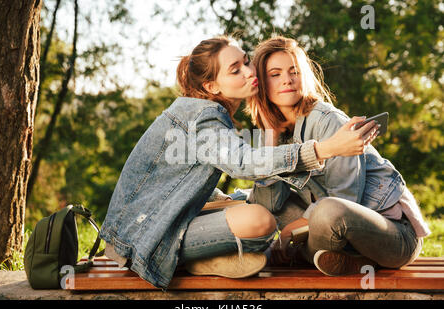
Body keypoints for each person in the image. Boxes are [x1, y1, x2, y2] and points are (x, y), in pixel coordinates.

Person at [99, 36, 378, 290]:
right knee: (260, 221)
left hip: (154, 225)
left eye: (246, 61)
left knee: (250, 206)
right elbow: (244, 163)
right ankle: (197, 261)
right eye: (235, 70)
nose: (249, 71)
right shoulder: (203, 116)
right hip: (144, 238)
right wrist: (326, 148)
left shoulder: (205, 111)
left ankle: (212, 259)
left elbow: (178, 186)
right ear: (211, 86)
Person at [246, 35, 431, 276]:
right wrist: (269, 142)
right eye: (275, 74)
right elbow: (269, 204)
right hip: (336, 236)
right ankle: (340, 259)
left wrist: (292, 229)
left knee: (329, 211)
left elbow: (345, 198)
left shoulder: (327, 120)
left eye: (294, 71)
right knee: (260, 211)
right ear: (261, 83)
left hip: (393, 236)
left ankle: (297, 256)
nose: (287, 80)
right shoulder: (271, 131)